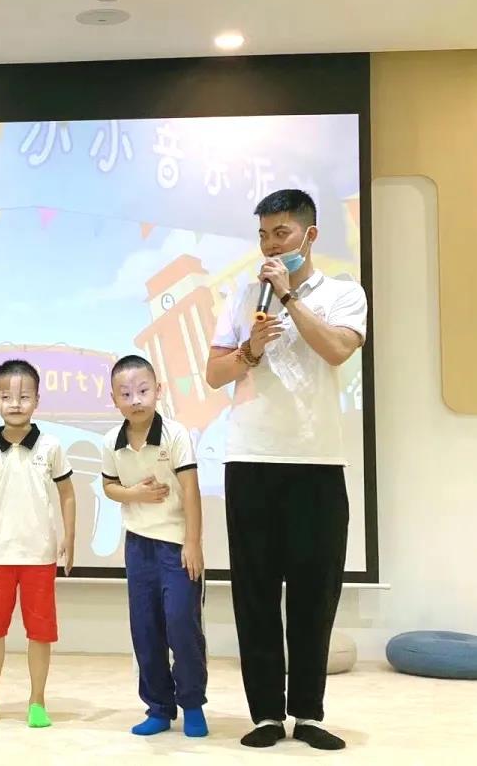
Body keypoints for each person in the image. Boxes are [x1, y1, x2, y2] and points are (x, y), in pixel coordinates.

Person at [205, 189, 367, 751]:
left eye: (281, 233)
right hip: (250, 458)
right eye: (263, 236)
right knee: (254, 593)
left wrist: (289, 296)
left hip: (316, 462)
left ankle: (309, 713)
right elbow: (213, 375)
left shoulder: (344, 293)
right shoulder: (240, 295)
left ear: (309, 235)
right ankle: (266, 715)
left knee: (314, 594)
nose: (270, 246)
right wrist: (249, 350)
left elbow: (338, 350)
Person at [100, 355, 207, 738]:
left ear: (158, 390)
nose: (136, 400)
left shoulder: (176, 435)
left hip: (176, 546)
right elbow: (109, 486)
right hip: (138, 547)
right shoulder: (110, 442)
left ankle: (192, 705)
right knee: (145, 630)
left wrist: (192, 543)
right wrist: (135, 494)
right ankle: (159, 708)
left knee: (182, 625)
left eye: (143, 390)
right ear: (114, 399)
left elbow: (191, 491)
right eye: (126, 393)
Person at [0, 359, 76, 729]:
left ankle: (37, 702)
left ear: (37, 400)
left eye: (24, 396)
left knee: (40, 632)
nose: (15, 403)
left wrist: (69, 537)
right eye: (6, 396)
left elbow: (67, 494)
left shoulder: (51, 446)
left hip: (39, 556)